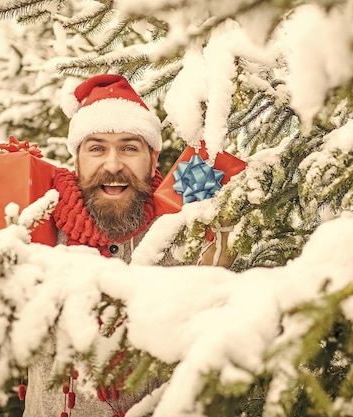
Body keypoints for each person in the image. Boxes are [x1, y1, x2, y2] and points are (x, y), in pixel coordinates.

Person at [22, 74, 234, 417]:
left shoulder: (187, 233)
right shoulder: (35, 232)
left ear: (153, 159)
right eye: (96, 148)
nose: (113, 164)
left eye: (129, 148)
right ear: (76, 161)